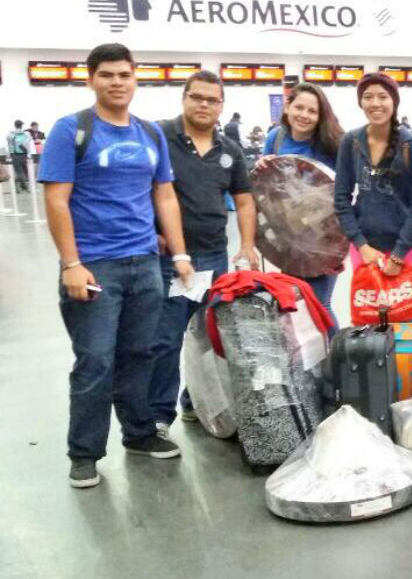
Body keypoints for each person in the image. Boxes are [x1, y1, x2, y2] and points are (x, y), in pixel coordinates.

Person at [38, 42, 194, 488]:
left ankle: (140, 433)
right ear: (91, 79)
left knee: (138, 354)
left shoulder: (149, 133)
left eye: (124, 74)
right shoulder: (72, 130)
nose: (117, 82)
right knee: (95, 362)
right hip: (95, 266)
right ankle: (84, 453)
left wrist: (179, 254)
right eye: (107, 74)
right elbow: (57, 199)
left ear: (135, 78)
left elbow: (164, 195)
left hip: (145, 263)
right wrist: (71, 263)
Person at [147, 70, 258, 432]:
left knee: (210, 335)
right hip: (170, 261)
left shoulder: (230, 151)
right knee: (165, 339)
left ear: (221, 105)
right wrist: (152, 230)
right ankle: (159, 415)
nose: (204, 105)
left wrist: (246, 245)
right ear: (184, 98)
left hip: (214, 258)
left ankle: (196, 402)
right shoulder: (160, 136)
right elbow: (138, 186)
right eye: (197, 97)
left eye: (212, 99)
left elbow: (244, 202)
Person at [334, 72, 412, 291]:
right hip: (365, 251)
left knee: (406, 320)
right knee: (369, 321)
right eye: (368, 97)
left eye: (383, 96)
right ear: (360, 102)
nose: (375, 103)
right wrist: (360, 244)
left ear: (394, 101)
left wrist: (398, 256)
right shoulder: (351, 142)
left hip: (405, 253)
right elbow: (341, 198)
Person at [259, 83, 345, 319]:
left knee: (319, 303)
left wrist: (341, 246)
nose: (304, 115)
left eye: (312, 111)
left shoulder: (332, 144)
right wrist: (262, 165)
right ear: (287, 106)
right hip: (287, 238)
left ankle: (334, 355)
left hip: (324, 238)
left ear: (320, 115)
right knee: (296, 303)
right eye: (299, 107)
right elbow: (267, 186)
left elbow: (346, 193)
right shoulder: (275, 139)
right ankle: (312, 356)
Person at [6, 119, 33, 192]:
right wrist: (29, 154)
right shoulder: (26, 134)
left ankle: (21, 186)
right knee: (24, 171)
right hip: (24, 153)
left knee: (19, 171)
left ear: (15, 125)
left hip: (14, 154)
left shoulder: (10, 135)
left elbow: (9, 145)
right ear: (21, 126)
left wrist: (8, 155)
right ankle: (23, 187)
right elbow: (28, 144)